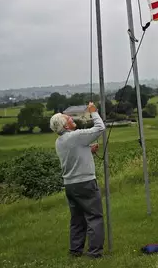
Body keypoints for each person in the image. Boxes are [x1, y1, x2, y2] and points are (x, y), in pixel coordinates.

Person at [50, 102, 106, 258]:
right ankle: (94, 253)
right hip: (85, 183)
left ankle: (75, 251)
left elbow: (73, 153)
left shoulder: (59, 142)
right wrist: (93, 112)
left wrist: (87, 149)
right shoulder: (76, 136)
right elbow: (100, 128)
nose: (71, 118)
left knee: (77, 219)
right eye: (68, 118)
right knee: (94, 217)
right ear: (66, 126)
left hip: (70, 185)